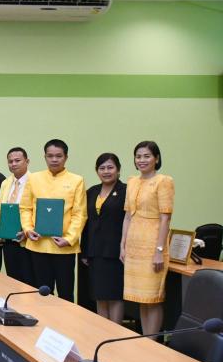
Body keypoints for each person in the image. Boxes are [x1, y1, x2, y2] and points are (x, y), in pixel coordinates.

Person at [19, 139, 87, 301]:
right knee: (41, 293)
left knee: (65, 293)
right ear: (45, 157)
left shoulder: (76, 180)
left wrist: (69, 238)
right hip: (38, 245)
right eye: (50, 156)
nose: (54, 159)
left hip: (64, 247)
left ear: (66, 157)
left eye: (58, 156)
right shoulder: (34, 178)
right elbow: (25, 208)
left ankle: (65, 319)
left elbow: (79, 214)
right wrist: (28, 229)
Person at [121, 141, 174, 336]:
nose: (141, 160)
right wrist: (122, 245)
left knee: (153, 298)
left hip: (153, 245)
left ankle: (151, 342)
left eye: (147, 156)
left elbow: (165, 218)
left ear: (156, 159)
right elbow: (127, 216)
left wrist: (159, 251)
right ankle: (145, 338)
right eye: (138, 156)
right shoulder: (132, 181)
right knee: (141, 299)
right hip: (133, 245)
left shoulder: (164, 181)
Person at [80, 153, 126, 324]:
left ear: (118, 170)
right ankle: (103, 331)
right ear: (97, 171)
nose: (106, 171)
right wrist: (84, 250)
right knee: (99, 294)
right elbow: (86, 223)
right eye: (102, 168)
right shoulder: (92, 192)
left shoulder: (126, 191)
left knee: (114, 295)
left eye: (110, 167)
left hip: (115, 252)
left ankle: (116, 331)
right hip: (95, 251)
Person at [0, 147, 34, 285]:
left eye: (17, 160)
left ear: (27, 161)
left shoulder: (35, 181)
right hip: (8, 239)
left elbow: (36, 211)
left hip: (27, 240)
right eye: (10, 161)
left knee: (28, 281)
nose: (13, 164)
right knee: (12, 280)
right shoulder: (6, 183)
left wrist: (27, 231)